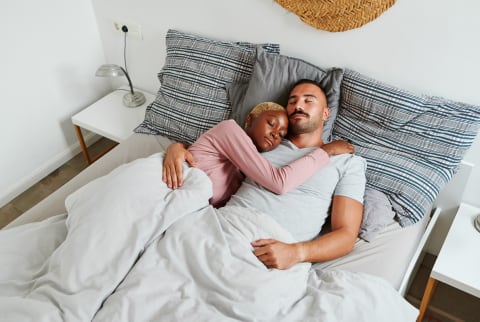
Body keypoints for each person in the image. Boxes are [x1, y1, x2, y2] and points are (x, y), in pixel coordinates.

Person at [163, 101, 354, 207]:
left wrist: (180, 146)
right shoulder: (230, 129)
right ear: (251, 119)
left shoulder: (245, 172)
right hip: (164, 185)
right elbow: (279, 183)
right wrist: (326, 151)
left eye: (281, 135)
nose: (275, 134)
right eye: (271, 123)